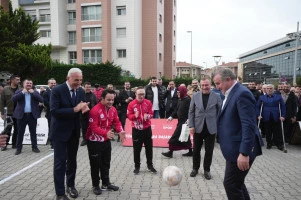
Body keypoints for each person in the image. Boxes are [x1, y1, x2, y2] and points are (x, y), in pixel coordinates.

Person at [213, 68, 263, 199]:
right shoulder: (230, 93)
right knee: (237, 184)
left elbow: (249, 125)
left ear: (228, 79)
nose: (217, 87)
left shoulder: (242, 94)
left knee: (231, 185)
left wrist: (244, 153)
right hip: (234, 149)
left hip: (241, 150)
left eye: (218, 83)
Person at [50, 68, 90, 200]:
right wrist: (75, 109)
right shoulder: (57, 90)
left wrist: (84, 109)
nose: (79, 83)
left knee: (72, 161)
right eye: (76, 80)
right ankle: (60, 193)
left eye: (80, 80)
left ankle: (70, 186)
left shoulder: (80, 91)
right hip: (60, 132)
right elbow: (54, 111)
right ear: (68, 78)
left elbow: (81, 109)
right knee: (60, 162)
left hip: (74, 132)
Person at [85, 89, 126, 195]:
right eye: (108, 100)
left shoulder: (113, 109)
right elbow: (93, 127)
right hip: (94, 141)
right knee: (95, 164)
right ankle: (95, 185)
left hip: (106, 140)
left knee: (106, 163)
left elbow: (117, 122)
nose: (111, 102)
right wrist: (105, 133)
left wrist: (121, 131)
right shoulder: (95, 110)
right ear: (102, 99)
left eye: (112, 100)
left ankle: (106, 183)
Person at [188, 77, 222, 179]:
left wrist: (219, 126)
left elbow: (220, 112)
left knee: (209, 151)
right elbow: (191, 112)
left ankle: (207, 170)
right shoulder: (195, 96)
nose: (204, 87)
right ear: (200, 85)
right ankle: (195, 168)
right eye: (202, 85)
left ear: (210, 85)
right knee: (196, 150)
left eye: (206, 85)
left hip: (211, 128)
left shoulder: (216, 96)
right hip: (198, 127)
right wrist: (191, 125)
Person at [127, 87, 157, 174]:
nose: (141, 96)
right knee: (137, 149)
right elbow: (129, 116)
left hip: (147, 129)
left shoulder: (148, 102)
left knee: (149, 148)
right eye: (139, 94)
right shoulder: (131, 104)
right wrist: (135, 116)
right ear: (135, 94)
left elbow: (152, 113)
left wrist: (148, 116)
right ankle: (137, 166)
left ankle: (150, 165)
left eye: (143, 94)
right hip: (136, 130)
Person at [12, 79, 44, 155]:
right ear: (24, 84)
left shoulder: (35, 92)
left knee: (33, 132)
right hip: (21, 116)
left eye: (30, 83)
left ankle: (34, 147)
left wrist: (33, 93)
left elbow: (41, 100)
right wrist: (23, 92)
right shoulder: (19, 91)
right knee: (20, 133)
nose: (29, 84)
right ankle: (19, 148)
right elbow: (13, 99)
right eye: (27, 83)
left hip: (32, 116)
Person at [161, 86, 192, 158]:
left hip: (184, 122)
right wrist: (171, 117)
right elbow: (176, 110)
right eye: (177, 92)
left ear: (183, 92)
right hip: (180, 121)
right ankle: (191, 152)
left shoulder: (187, 100)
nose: (177, 94)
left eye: (179, 92)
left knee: (175, 136)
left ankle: (170, 152)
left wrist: (189, 119)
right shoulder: (180, 99)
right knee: (186, 136)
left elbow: (191, 111)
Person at [257, 84, 286, 150]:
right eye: (267, 88)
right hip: (266, 115)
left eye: (270, 88)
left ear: (273, 89)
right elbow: (258, 107)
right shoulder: (262, 97)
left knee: (277, 131)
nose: (269, 89)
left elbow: (282, 107)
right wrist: (258, 115)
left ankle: (278, 144)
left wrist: (283, 115)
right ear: (265, 89)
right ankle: (269, 143)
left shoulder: (278, 97)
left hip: (276, 115)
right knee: (268, 131)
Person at [0, 75, 21, 151]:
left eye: (19, 79)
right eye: (17, 79)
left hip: (18, 113)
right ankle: (4, 145)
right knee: (7, 130)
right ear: (12, 80)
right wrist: (2, 113)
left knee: (17, 129)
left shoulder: (21, 89)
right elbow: (2, 102)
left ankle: (14, 144)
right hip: (8, 113)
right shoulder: (5, 89)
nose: (19, 81)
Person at [80, 82, 97, 146]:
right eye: (87, 87)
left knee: (92, 127)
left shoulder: (93, 95)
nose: (88, 88)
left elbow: (96, 104)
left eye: (89, 87)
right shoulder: (80, 94)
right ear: (84, 87)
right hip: (83, 114)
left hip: (92, 114)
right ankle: (85, 139)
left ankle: (91, 139)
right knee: (84, 128)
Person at [43, 78, 57, 150]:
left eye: (54, 83)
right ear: (48, 84)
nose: (53, 84)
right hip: (50, 114)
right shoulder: (46, 93)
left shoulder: (57, 91)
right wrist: (55, 105)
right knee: (51, 129)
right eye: (52, 83)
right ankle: (52, 144)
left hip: (57, 114)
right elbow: (46, 103)